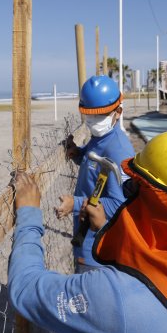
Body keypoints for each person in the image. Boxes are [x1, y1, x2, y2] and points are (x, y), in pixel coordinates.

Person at [9, 129, 167, 333]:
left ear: (155, 207)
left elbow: (25, 288)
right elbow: (153, 256)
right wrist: (107, 229)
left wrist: (29, 213)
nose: (126, 193)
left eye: (131, 187)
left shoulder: (112, 296)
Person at [57, 75, 134, 272]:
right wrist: (78, 153)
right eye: (89, 115)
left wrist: (75, 204)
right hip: (85, 237)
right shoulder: (101, 137)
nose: (94, 121)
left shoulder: (119, 151)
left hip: (96, 247)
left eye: (100, 115)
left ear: (118, 111)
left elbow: (119, 204)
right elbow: (94, 160)